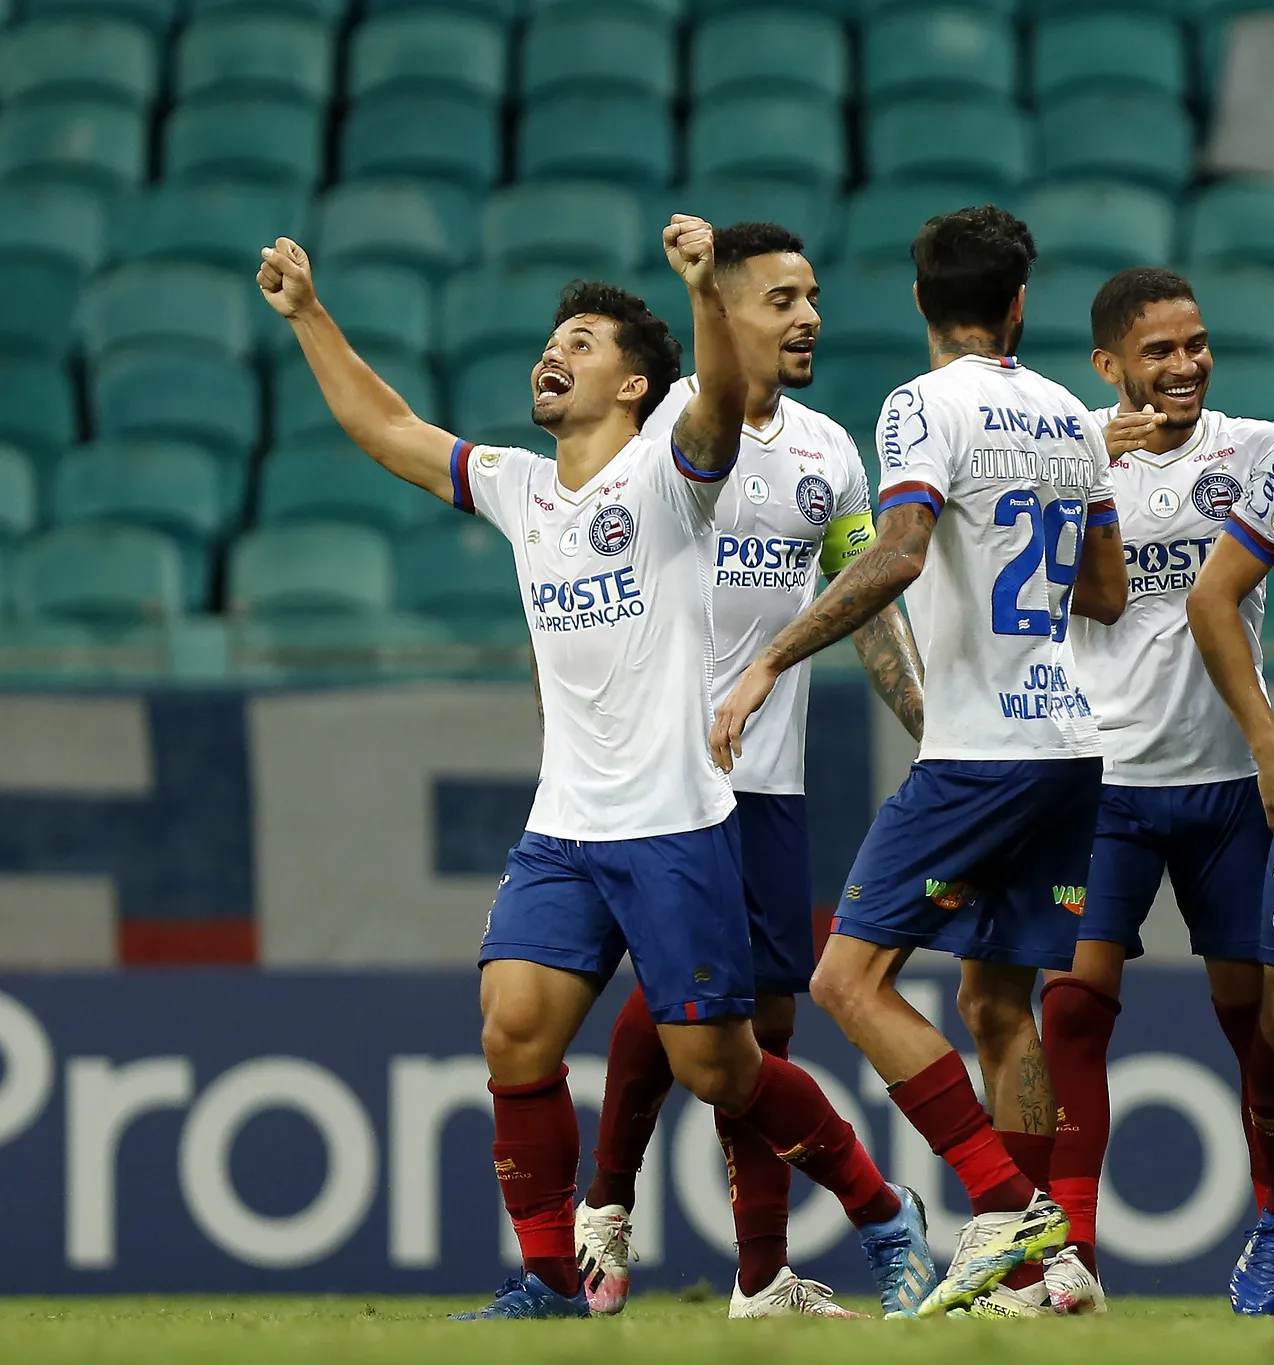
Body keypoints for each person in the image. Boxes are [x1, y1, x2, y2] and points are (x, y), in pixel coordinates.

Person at [254, 217, 934, 1321]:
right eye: (552, 337)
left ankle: (879, 1209)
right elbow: (384, 426)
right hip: (565, 824)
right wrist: (308, 316)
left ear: (632, 387)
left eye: (582, 340)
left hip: (674, 823)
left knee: (721, 1070)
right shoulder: (524, 490)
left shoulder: (673, 483)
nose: (553, 352)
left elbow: (716, 399)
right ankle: (548, 1281)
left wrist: (705, 291)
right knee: (512, 1025)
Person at [709, 205, 1127, 1319]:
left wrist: (768, 663)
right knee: (998, 1002)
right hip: (1069, 739)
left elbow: (895, 554)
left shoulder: (916, 407)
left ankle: (1002, 1206)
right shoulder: (1069, 421)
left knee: (847, 980)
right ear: (1019, 306)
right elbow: (1105, 593)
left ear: (917, 301)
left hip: (979, 745)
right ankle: (1046, 1272)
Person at [568, 222, 927, 1319]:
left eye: (812, 293)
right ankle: (610, 1200)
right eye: (779, 298)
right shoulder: (664, 448)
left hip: (769, 778)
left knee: (759, 1025)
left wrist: (926, 719)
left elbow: (860, 601)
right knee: (702, 1010)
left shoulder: (827, 453)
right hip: (665, 776)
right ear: (720, 311)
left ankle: (757, 1278)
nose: (808, 314)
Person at [1029, 267, 1274, 1316]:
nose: (1183, 366)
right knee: (1075, 1007)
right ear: (1107, 367)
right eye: (1157, 352)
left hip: (1230, 784)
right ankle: (1072, 1257)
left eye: (1194, 344)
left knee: (1257, 1022)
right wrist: (1082, 468)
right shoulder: (1065, 459)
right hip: (1106, 780)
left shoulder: (1262, 453)